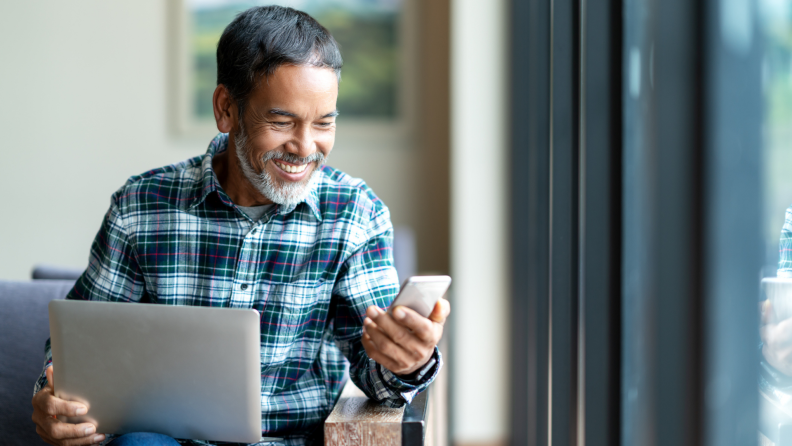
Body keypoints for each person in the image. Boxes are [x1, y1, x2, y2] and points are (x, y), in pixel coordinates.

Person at [30, 6, 450, 446]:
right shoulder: (141, 206)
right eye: (281, 121)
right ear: (226, 109)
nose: (305, 148)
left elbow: (376, 378)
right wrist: (52, 396)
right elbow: (80, 350)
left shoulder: (354, 214)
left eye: (324, 123)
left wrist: (406, 360)